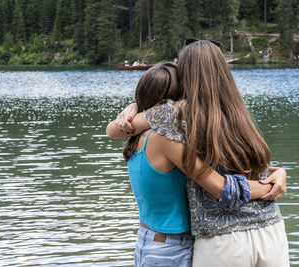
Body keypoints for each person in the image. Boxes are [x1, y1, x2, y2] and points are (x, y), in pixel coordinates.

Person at [115, 40, 289, 266]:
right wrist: (274, 179)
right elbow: (246, 165)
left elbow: (113, 129)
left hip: (222, 238)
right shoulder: (237, 113)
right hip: (271, 231)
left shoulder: (173, 117)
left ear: (185, 76)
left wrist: (132, 111)